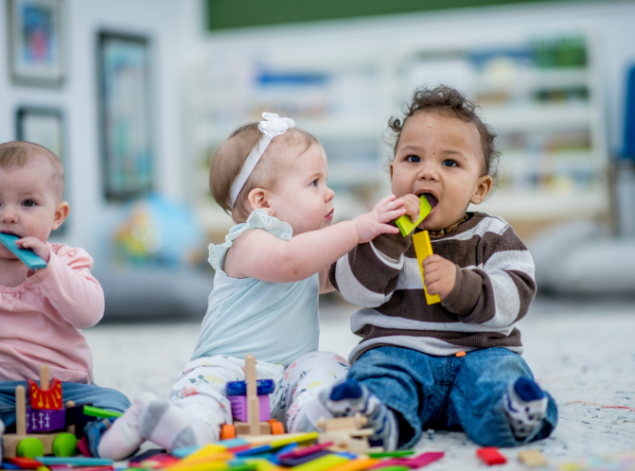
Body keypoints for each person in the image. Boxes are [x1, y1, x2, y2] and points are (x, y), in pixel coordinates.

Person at [98, 113, 407, 457]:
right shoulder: (248, 242)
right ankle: (175, 422)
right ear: (263, 202)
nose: (329, 192)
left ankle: (313, 414)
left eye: (326, 180)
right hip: (227, 367)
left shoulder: (305, 247)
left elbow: (339, 276)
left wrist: (381, 242)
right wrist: (354, 229)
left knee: (327, 363)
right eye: (314, 183)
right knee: (204, 395)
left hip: (288, 374)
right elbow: (290, 263)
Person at [322, 86, 558, 450]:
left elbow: (518, 294)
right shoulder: (375, 228)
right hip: (397, 352)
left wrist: (463, 287)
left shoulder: (492, 234)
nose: (427, 173)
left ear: (478, 188)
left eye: (449, 163)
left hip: (479, 353)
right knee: (377, 374)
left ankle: (514, 412)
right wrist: (389, 239)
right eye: (413, 159)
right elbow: (354, 290)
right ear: (392, 171)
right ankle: (377, 418)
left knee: (500, 375)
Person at [0, 141, 130, 457]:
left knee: (117, 404)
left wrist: (50, 271)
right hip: (3, 391)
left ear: (57, 216)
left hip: (66, 389)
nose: (8, 216)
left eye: (28, 203)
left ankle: (107, 438)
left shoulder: (68, 261)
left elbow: (89, 313)